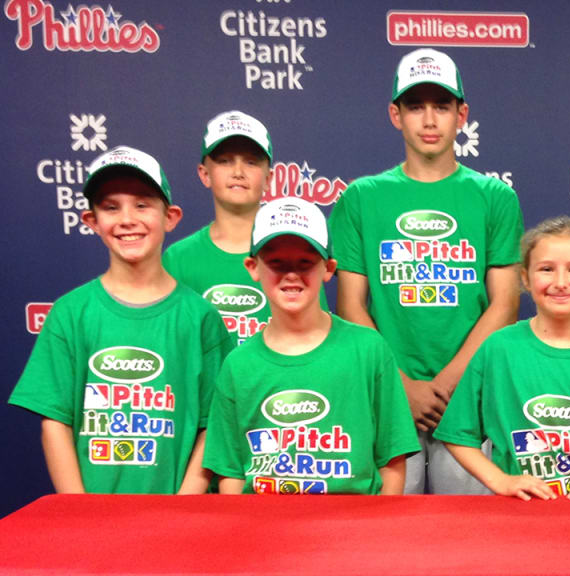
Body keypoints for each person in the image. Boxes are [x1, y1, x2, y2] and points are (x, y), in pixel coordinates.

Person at [328, 48, 523, 494]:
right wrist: (403, 387)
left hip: (469, 398)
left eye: (442, 106)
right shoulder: (361, 197)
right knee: (390, 544)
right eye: (416, 107)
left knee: (468, 545)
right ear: (396, 115)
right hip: (390, 398)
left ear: (462, 114)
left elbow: (505, 304)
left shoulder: (494, 196)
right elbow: (351, 307)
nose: (430, 120)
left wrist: (445, 384)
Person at [8, 146, 233, 494]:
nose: (127, 219)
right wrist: (79, 510)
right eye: (111, 207)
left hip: (176, 521)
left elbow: (212, 426)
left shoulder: (200, 318)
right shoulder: (70, 313)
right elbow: (55, 422)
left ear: (170, 217)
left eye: (142, 204)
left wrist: (183, 506)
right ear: (91, 221)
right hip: (91, 522)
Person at [202, 198, 419, 494]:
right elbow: (230, 471)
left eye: (305, 263)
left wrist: (379, 529)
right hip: (264, 530)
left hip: (352, 530)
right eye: (277, 263)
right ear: (253, 267)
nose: (291, 275)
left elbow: (391, 459)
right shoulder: (239, 364)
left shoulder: (369, 350)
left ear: (328, 268)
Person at [435, 216, 570, 501]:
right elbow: (458, 433)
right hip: (521, 513)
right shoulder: (499, 349)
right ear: (526, 278)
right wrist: (502, 481)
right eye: (546, 269)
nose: (561, 282)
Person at [164, 111, 279, 346]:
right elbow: (172, 346)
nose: (238, 172)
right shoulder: (178, 259)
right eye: (225, 161)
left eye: (251, 161)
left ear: (269, 178)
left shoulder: (292, 253)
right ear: (205, 174)